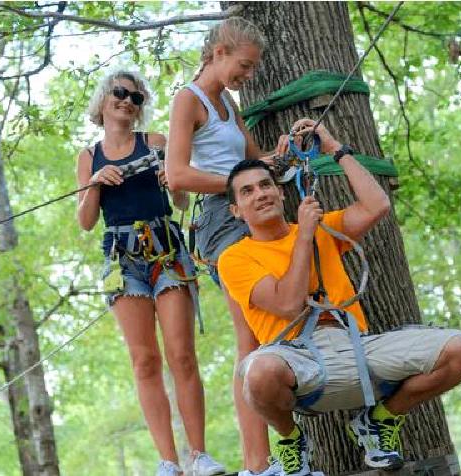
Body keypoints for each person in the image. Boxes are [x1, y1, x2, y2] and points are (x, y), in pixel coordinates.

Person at [218, 119, 461, 475]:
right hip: (297, 360)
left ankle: (380, 421)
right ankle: (292, 440)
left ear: (281, 192)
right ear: (236, 210)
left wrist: (333, 146)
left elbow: (377, 206)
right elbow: (287, 304)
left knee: (460, 351)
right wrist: (305, 236)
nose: (260, 193)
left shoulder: (324, 228)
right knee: (257, 372)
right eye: (247, 192)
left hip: (356, 348)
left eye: (266, 185)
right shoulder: (235, 258)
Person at [76, 70, 225, 476]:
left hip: (166, 249)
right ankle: (168, 461)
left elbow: (180, 199)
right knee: (144, 360)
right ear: (104, 99)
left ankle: (199, 453)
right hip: (122, 259)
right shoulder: (89, 157)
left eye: (136, 97)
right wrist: (94, 185)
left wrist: (171, 182)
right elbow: (87, 222)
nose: (127, 102)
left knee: (181, 354)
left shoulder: (156, 143)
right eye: (120, 94)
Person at [166, 17, 287, 476]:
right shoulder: (188, 101)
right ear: (218, 53)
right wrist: (239, 186)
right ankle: (258, 464)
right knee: (251, 337)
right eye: (244, 65)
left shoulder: (228, 104)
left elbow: (252, 160)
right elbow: (178, 175)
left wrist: (277, 158)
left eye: (253, 69)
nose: (248, 76)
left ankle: (277, 455)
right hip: (222, 220)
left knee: (275, 328)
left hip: (248, 210)